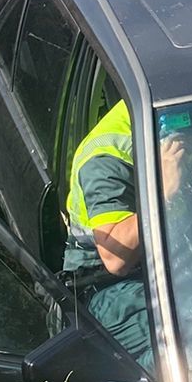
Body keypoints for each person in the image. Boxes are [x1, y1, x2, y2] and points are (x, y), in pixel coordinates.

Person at [65, 97, 170, 366]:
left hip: (175, 261)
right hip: (107, 291)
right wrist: (163, 191)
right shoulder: (107, 158)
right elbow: (116, 259)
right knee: (182, 347)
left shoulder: (190, 115)